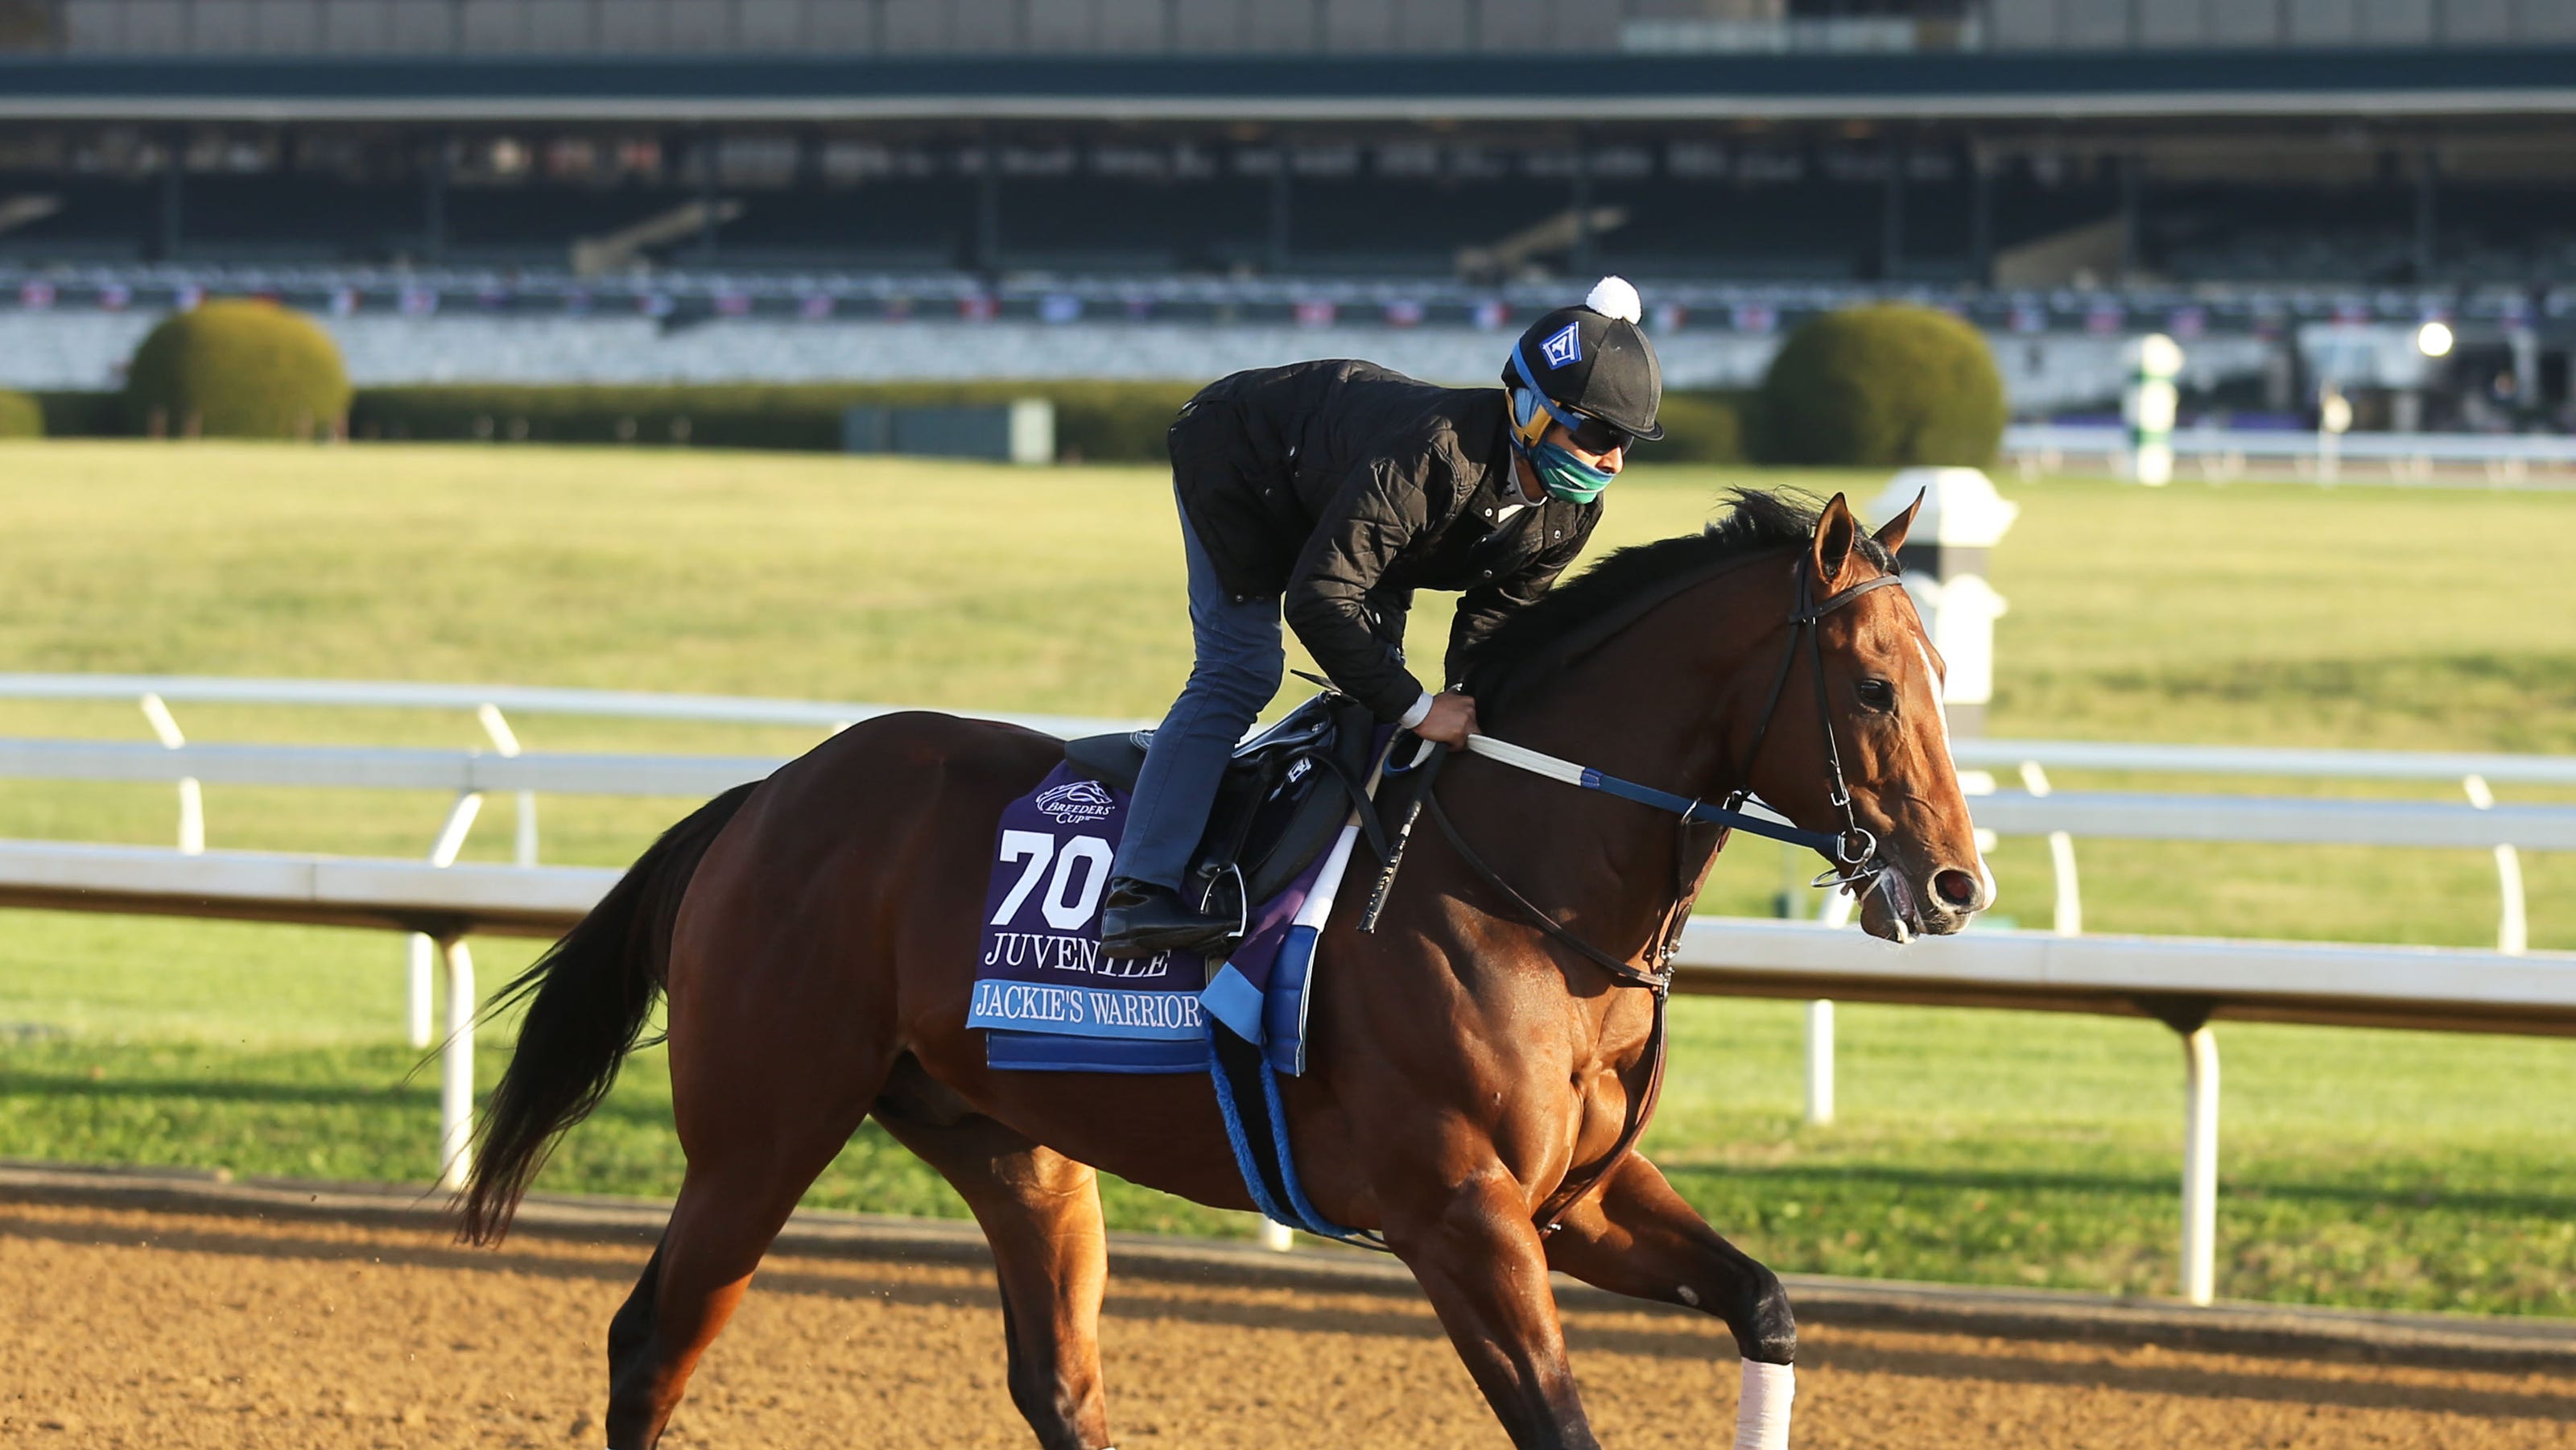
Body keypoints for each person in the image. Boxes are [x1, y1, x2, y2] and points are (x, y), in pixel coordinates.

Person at [1100, 276, 1665, 957]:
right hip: (1243, 461)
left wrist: (1468, 701)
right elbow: (1320, 598)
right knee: (1243, 669)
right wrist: (1420, 707)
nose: (1614, 460)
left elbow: (1495, 627)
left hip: (1360, 505)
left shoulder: (1573, 510)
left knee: (1374, 699)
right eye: (1599, 432)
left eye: (1629, 441)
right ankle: (1140, 891)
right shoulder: (1432, 454)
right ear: (1532, 409)